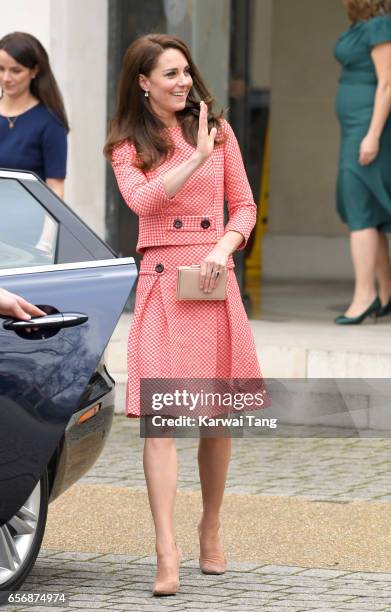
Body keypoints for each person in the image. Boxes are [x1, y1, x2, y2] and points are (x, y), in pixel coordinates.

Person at [104, 34, 265, 596]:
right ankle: (165, 547)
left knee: (217, 418)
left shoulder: (218, 130)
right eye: (169, 75)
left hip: (211, 277)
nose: (182, 83)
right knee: (164, 421)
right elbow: (143, 202)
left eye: (185, 72)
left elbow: (243, 205)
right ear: (143, 83)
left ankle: (212, 527)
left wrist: (224, 247)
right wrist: (192, 156)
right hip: (161, 280)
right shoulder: (128, 142)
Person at [334, 0, 391, 324]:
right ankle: (385, 292)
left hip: (368, 127)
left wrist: (373, 135)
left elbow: (386, 83)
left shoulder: (381, 25)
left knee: (359, 205)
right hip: (355, 125)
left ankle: (364, 296)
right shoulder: (362, 26)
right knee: (365, 205)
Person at [0, 32, 68, 252]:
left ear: (35, 70)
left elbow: (55, 189)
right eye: (1, 69)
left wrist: (46, 243)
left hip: (26, 237)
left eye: (16, 70)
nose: (6, 78)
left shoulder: (50, 123)